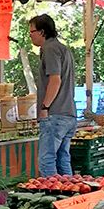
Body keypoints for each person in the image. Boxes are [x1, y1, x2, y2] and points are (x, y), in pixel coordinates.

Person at [30, 14, 77, 176]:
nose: (30, 35)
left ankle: (51, 196)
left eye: (32, 32)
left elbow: (55, 80)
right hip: (69, 113)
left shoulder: (49, 49)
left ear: (42, 32)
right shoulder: (63, 49)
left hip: (54, 114)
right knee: (63, 158)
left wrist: (45, 106)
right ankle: (70, 196)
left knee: (47, 159)